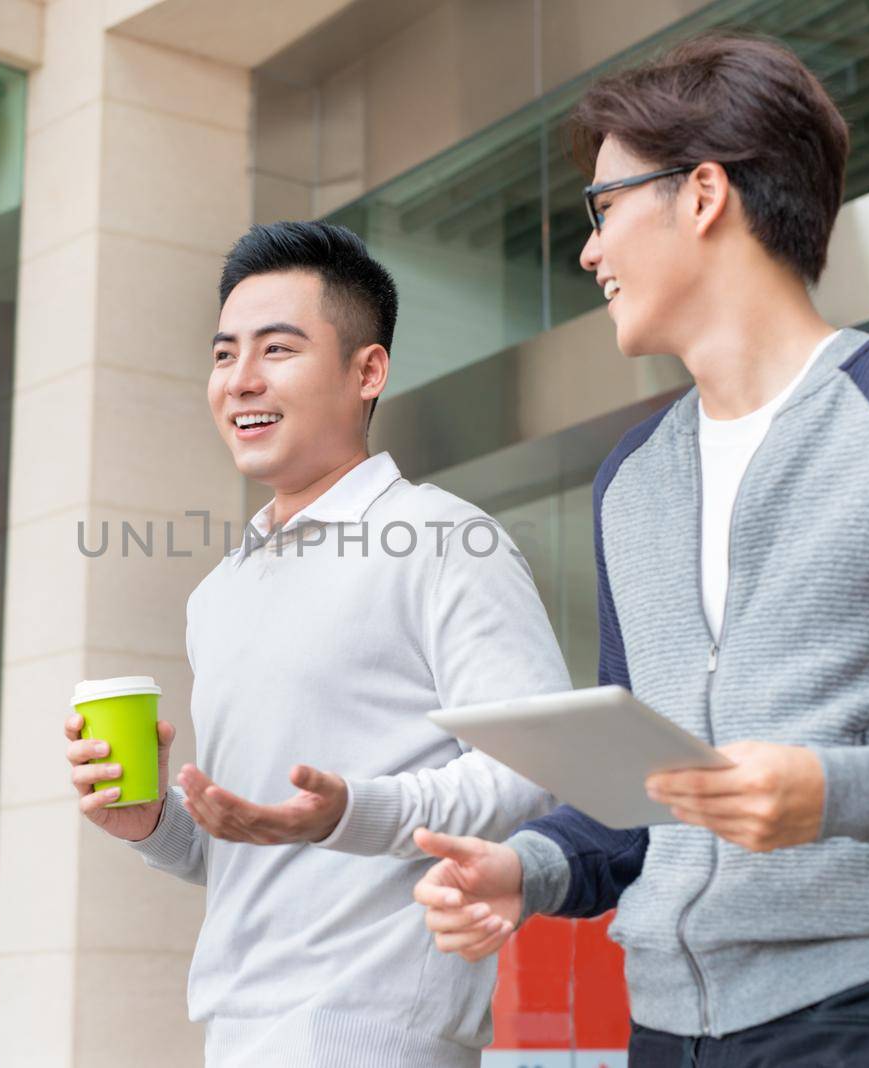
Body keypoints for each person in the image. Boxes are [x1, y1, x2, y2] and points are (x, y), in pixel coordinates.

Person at [412, 31, 869, 1067]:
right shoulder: (630, 480)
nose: (589, 251)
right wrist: (529, 871)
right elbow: (645, 801)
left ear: (700, 195)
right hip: (661, 1032)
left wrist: (841, 792)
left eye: (604, 210)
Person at [63, 221, 572, 1066]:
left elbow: (535, 771)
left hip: (379, 1033)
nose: (241, 381)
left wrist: (353, 811)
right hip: (233, 1030)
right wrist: (153, 822)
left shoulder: (446, 538)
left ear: (367, 371)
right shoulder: (219, 593)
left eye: (278, 349)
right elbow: (254, 844)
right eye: (224, 355)